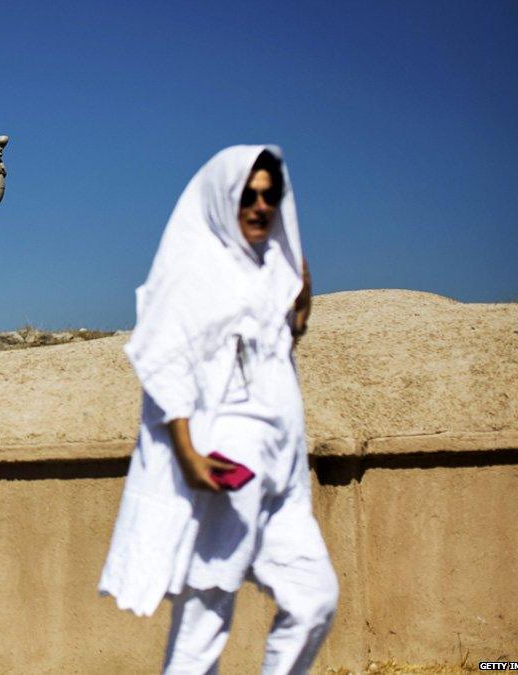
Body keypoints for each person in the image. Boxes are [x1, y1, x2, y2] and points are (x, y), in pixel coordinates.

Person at [98, 145, 337, 674]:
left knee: (314, 600)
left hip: (284, 472)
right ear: (223, 199)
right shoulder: (196, 270)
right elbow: (164, 360)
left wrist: (301, 294)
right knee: (204, 623)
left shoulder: (271, 268)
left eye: (269, 195)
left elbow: (282, 344)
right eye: (247, 196)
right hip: (228, 467)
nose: (259, 207)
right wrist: (187, 454)